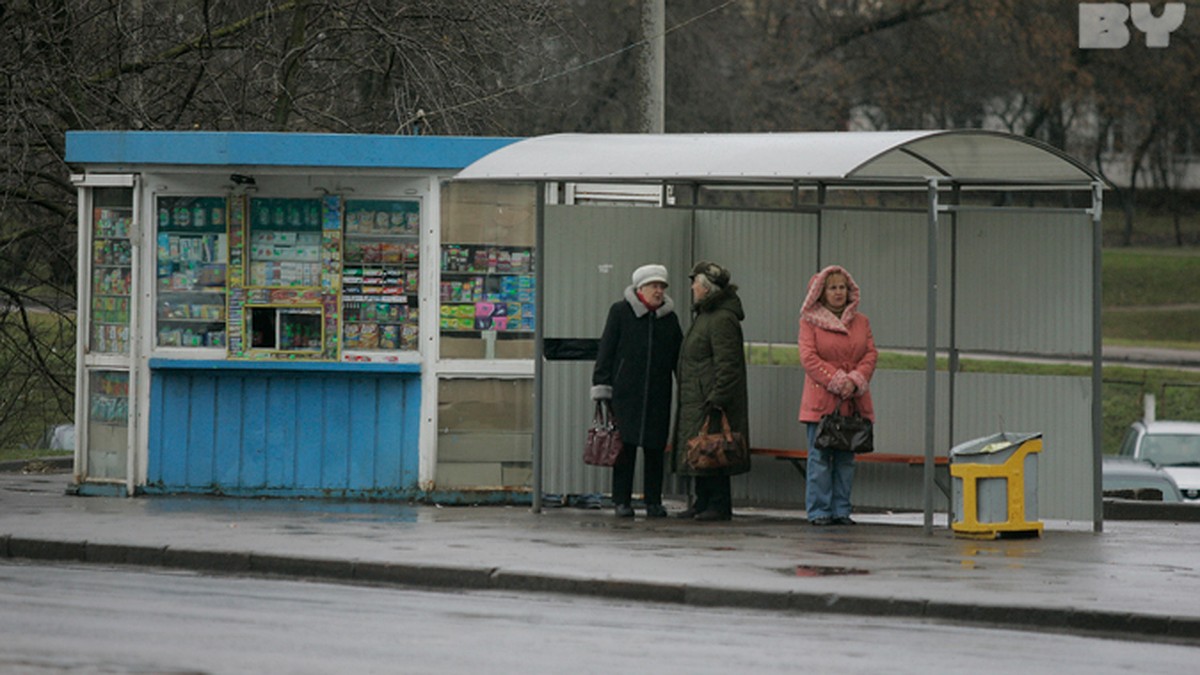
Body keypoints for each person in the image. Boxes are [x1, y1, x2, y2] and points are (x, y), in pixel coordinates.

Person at [592, 264, 683, 518]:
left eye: (662, 286)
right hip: (625, 394)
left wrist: (685, 386)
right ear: (640, 288)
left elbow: (679, 358)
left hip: (658, 393)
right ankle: (622, 500)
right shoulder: (620, 312)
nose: (659, 291)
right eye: (654, 286)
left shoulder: (669, 319)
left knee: (655, 450)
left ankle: (653, 501)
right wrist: (602, 386)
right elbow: (606, 351)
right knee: (625, 449)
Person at [797, 265, 878, 526]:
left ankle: (841, 510)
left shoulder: (862, 321)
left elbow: (870, 354)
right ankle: (819, 510)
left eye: (842, 287)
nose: (838, 292)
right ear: (821, 292)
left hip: (852, 401)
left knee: (846, 459)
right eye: (832, 287)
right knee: (819, 458)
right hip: (821, 402)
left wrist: (856, 379)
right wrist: (836, 379)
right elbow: (808, 357)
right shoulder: (808, 322)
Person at [672, 261, 750, 522]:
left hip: (712, 398)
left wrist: (718, 396)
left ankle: (718, 504)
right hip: (699, 395)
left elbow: (729, 364)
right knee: (701, 450)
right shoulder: (707, 315)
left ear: (707, 287)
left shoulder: (721, 319)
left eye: (695, 282)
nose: (692, 286)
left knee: (715, 450)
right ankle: (702, 501)